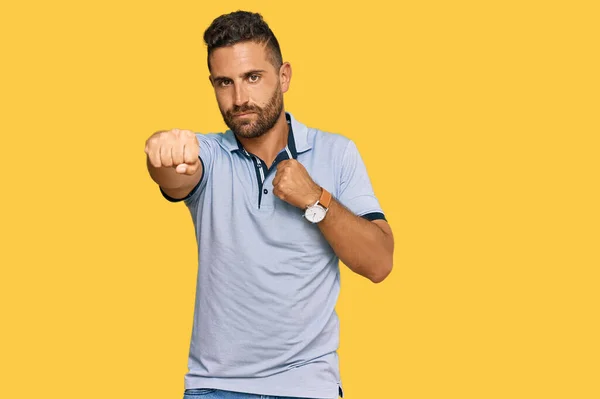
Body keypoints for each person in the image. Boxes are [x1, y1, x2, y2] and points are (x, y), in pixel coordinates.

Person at [144, 10, 394, 399]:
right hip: (216, 387)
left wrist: (317, 198)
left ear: (284, 77)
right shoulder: (208, 153)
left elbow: (379, 263)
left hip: (309, 385)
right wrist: (161, 151)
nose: (239, 98)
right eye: (224, 83)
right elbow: (176, 174)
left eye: (253, 78)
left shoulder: (337, 152)